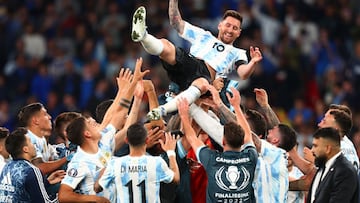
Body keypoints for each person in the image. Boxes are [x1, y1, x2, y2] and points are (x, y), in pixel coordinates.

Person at [131, 1, 262, 121]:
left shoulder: (238, 53)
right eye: (228, 25)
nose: (230, 30)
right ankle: (143, 36)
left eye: (235, 28)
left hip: (204, 76)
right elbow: (176, 23)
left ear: (239, 32)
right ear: (220, 25)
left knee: (203, 84)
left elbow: (243, 73)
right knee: (166, 45)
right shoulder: (204, 35)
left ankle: (161, 110)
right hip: (189, 63)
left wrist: (253, 62)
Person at [58, 58, 148, 202]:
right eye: (90, 123)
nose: (94, 122)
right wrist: (93, 199)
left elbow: (119, 114)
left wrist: (131, 87)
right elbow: (63, 195)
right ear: (87, 134)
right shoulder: (79, 162)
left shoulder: (104, 140)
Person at [177, 87, 258, 203]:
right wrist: (236, 107)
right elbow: (248, 135)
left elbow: (192, 138)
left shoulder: (212, 159)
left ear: (223, 141)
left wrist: (184, 116)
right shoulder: (251, 157)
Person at [94, 122, 180, 202]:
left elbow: (97, 188)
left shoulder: (115, 164)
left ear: (126, 140)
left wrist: (104, 168)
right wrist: (171, 152)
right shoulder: (156, 162)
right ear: (147, 140)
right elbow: (176, 179)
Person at [0, 127, 64, 202]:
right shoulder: (31, 170)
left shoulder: (7, 167)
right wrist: (63, 195)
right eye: (31, 142)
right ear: (25, 149)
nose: (34, 146)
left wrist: (46, 182)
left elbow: (20, 190)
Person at [308, 127, 358, 203]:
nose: (312, 150)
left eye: (315, 146)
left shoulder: (345, 171)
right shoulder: (322, 167)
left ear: (328, 149)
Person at [17, 102, 69, 175]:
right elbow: (39, 168)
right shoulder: (27, 139)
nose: (49, 117)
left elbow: (53, 160)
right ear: (35, 121)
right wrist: (67, 158)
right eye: (45, 114)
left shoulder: (41, 139)